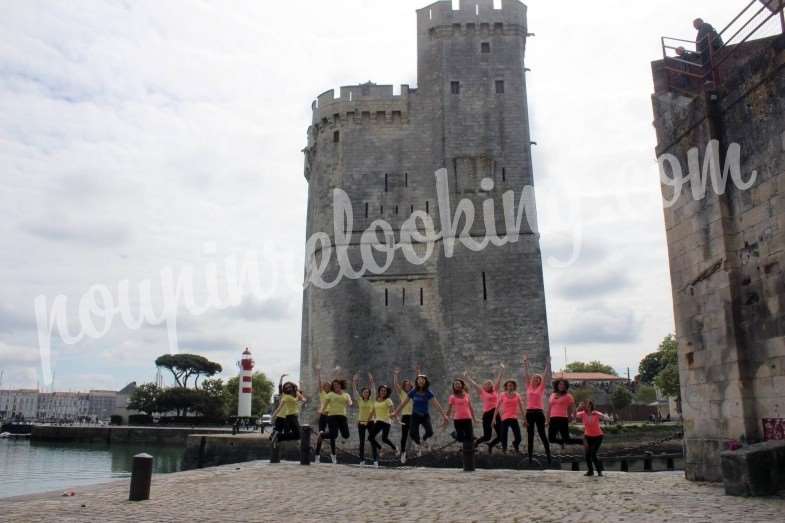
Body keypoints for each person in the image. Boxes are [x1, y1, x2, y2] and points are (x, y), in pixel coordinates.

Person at [393, 374, 448, 459]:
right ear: (417, 382)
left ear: (425, 382)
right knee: (412, 433)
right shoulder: (413, 391)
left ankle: (422, 441)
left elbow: (436, 404)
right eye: (419, 379)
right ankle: (418, 444)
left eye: (423, 379)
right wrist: (396, 412)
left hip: (425, 415)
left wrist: (444, 415)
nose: (421, 381)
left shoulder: (428, 392)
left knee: (430, 432)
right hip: (415, 416)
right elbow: (404, 403)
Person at [464, 364, 503, 453]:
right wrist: (467, 377)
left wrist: (502, 369)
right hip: (487, 415)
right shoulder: (482, 392)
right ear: (484, 386)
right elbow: (474, 384)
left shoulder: (495, 391)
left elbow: (499, 379)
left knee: (501, 436)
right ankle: (476, 443)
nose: (489, 384)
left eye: (490, 383)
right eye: (486, 384)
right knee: (487, 436)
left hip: (496, 413)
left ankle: (491, 445)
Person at [523, 354, 551, 465]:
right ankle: (530, 457)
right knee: (530, 435)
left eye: (537, 379)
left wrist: (547, 364)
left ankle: (549, 455)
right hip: (529, 413)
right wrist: (525, 362)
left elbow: (544, 376)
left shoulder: (541, 387)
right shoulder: (528, 386)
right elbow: (526, 374)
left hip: (539, 413)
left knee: (542, 434)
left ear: (539, 381)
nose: (535, 379)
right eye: (534, 378)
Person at [318, 378, 353, 464]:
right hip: (332, 416)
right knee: (334, 435)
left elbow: (350, 402)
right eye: (334, 385)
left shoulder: (346, 395)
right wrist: (322, 411)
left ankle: (322, 435)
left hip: (342, 416)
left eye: (337, 384)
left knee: (346, 435)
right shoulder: (330, 394)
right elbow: (325, 405)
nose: (336, 386)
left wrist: (350, 402)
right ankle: (322, 435)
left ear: (341, 385)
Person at [575, 400, 610, 477]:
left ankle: (599, 471)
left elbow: (606, 418)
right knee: (587, 455)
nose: (587, 406)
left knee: (593, 454)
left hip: (598, 436)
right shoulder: (582, 414)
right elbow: (575, 415)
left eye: (589, 405)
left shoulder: (596, 413)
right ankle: (590, 471)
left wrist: (604, 416)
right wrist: (578, 407)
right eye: (586, 405)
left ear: (591, 406)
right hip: (587, 436)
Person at [368, 378, 397, 468]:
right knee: (370, 437)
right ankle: (381, 448)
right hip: (379, 421)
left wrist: (395, 417)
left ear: (386, 392)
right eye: (381, 390)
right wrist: (367, 420)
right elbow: (372, 411)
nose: (383, 392)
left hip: (386, 421)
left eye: (384, 391)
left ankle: (395, 448)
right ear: (379, 391)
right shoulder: (376, 401)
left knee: (384, 438)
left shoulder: (388, 400)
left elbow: (393, 410)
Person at [494, 378, 526, 453]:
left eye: (512, 385)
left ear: (514, 387)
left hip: (514, 418)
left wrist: (525, 419)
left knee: (518, 437)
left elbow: (521, 408)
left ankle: (515, 444)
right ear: (506, 387)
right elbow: (497, 407)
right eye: (509, 385)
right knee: (503, 435)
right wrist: (493, 419)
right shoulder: (502, 395)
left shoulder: (517, 395)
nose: (510, 387)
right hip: (505, 418)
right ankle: (504, 449)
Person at [548, 379, 582, 448]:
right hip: (552, 419)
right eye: (560, 384)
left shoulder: (568, 396)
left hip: (562, 419)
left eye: (563, 384)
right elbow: (549, 408)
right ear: (557, 385)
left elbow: (573, 409)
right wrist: (547, 419)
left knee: (567, 440)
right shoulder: (552, 395)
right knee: (551, 439)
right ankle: (561, 442)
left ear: (566, 386)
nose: (561, 386)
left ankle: (582, 441)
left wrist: (574, 418)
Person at [270, 381, 305, 446]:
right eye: (286, 388)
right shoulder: (286, 396)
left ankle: (278, 437)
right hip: (290, 416)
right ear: (285, 389)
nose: (288, 388)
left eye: (289, 387)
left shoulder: (296, 393)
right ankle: (278, 436)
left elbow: (303, 399)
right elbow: (279, 408)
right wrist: (273, 416)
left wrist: (302, 400)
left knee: (294, 435)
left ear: (292, 387)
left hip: (293, 416)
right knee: (298, 435)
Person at [443, 378, 476, 444]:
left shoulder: (467, 395)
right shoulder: (452, 397)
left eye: (458, 384)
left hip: (467, 418)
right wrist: (446, 419)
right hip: (457, 420)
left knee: (469, 438)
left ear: (462, 385)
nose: (457, 385)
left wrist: (474, 419)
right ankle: (454, 434)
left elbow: (471, 407)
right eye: (455, 384)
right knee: (461, 439)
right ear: (454, 387)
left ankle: (467, 450)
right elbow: (449, 409)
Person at [393, 368, 415, 463]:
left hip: (413, 416)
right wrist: (395, 375)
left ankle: (417, 449)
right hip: (405, 416)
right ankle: (403, 452)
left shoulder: (414, 393)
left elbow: (419, 385)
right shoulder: (402, 393)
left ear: (411, 386)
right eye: (405, 385)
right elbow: (395, 385)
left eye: (408, 385)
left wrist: (418, 373)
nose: (407, 386)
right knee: (404, 435)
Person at [352, 374, 375, 464]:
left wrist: (371, 380)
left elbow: (373, 390)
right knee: (362, 442)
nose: (366, 393)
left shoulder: (372, 399)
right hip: (361, 422)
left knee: (372, 441)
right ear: (362, 393)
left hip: (370, 422)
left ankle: (375, 460)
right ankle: (361, 460)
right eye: (364, 392)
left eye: (367, 392)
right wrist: (354, 381)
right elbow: (354, 391)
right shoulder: (359, 400)